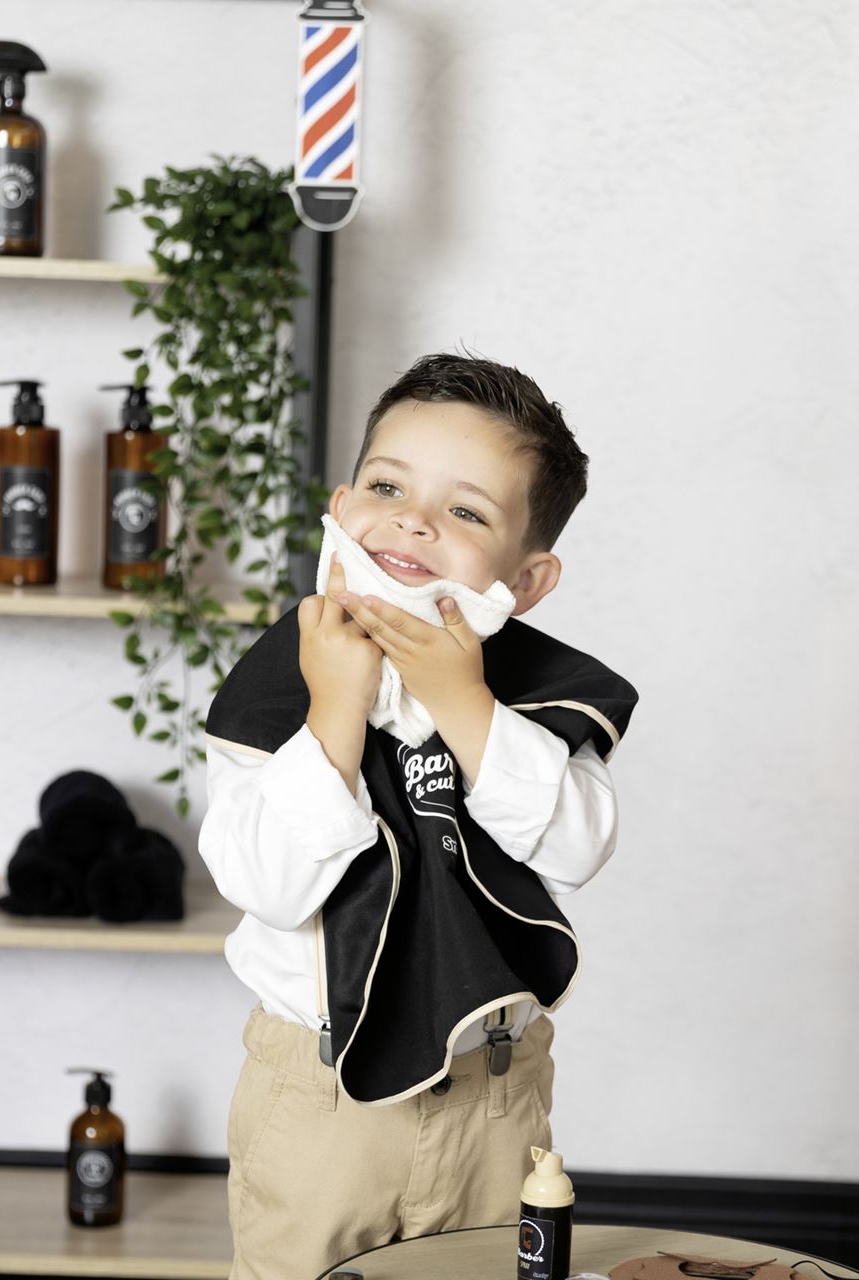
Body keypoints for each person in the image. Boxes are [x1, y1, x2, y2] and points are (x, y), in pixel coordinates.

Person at [197, 352, 638, 1280]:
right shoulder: (274, 693)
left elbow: (577, 843)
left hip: (495, 1089)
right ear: (340, 506)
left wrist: (464, 701)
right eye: (389, 486)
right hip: (318, 1099)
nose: (415, 518)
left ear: (526, 580)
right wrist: (334, 714)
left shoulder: (542, 698)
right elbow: (267, 887)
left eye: (467, 511)